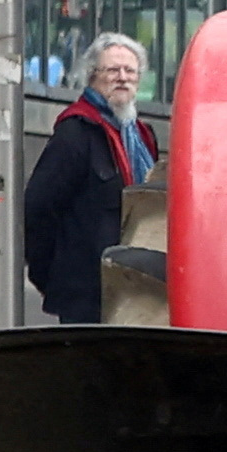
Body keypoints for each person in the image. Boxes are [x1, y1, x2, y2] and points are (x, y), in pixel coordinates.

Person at [21, 33, 157, 324]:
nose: (122, 78)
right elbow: (38, 207)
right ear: (92, 77)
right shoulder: (76, 132)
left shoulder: (143, 136)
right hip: (88, 293)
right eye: (112, 70)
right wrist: (50, 276)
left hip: (140, 289)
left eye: (130, 71)